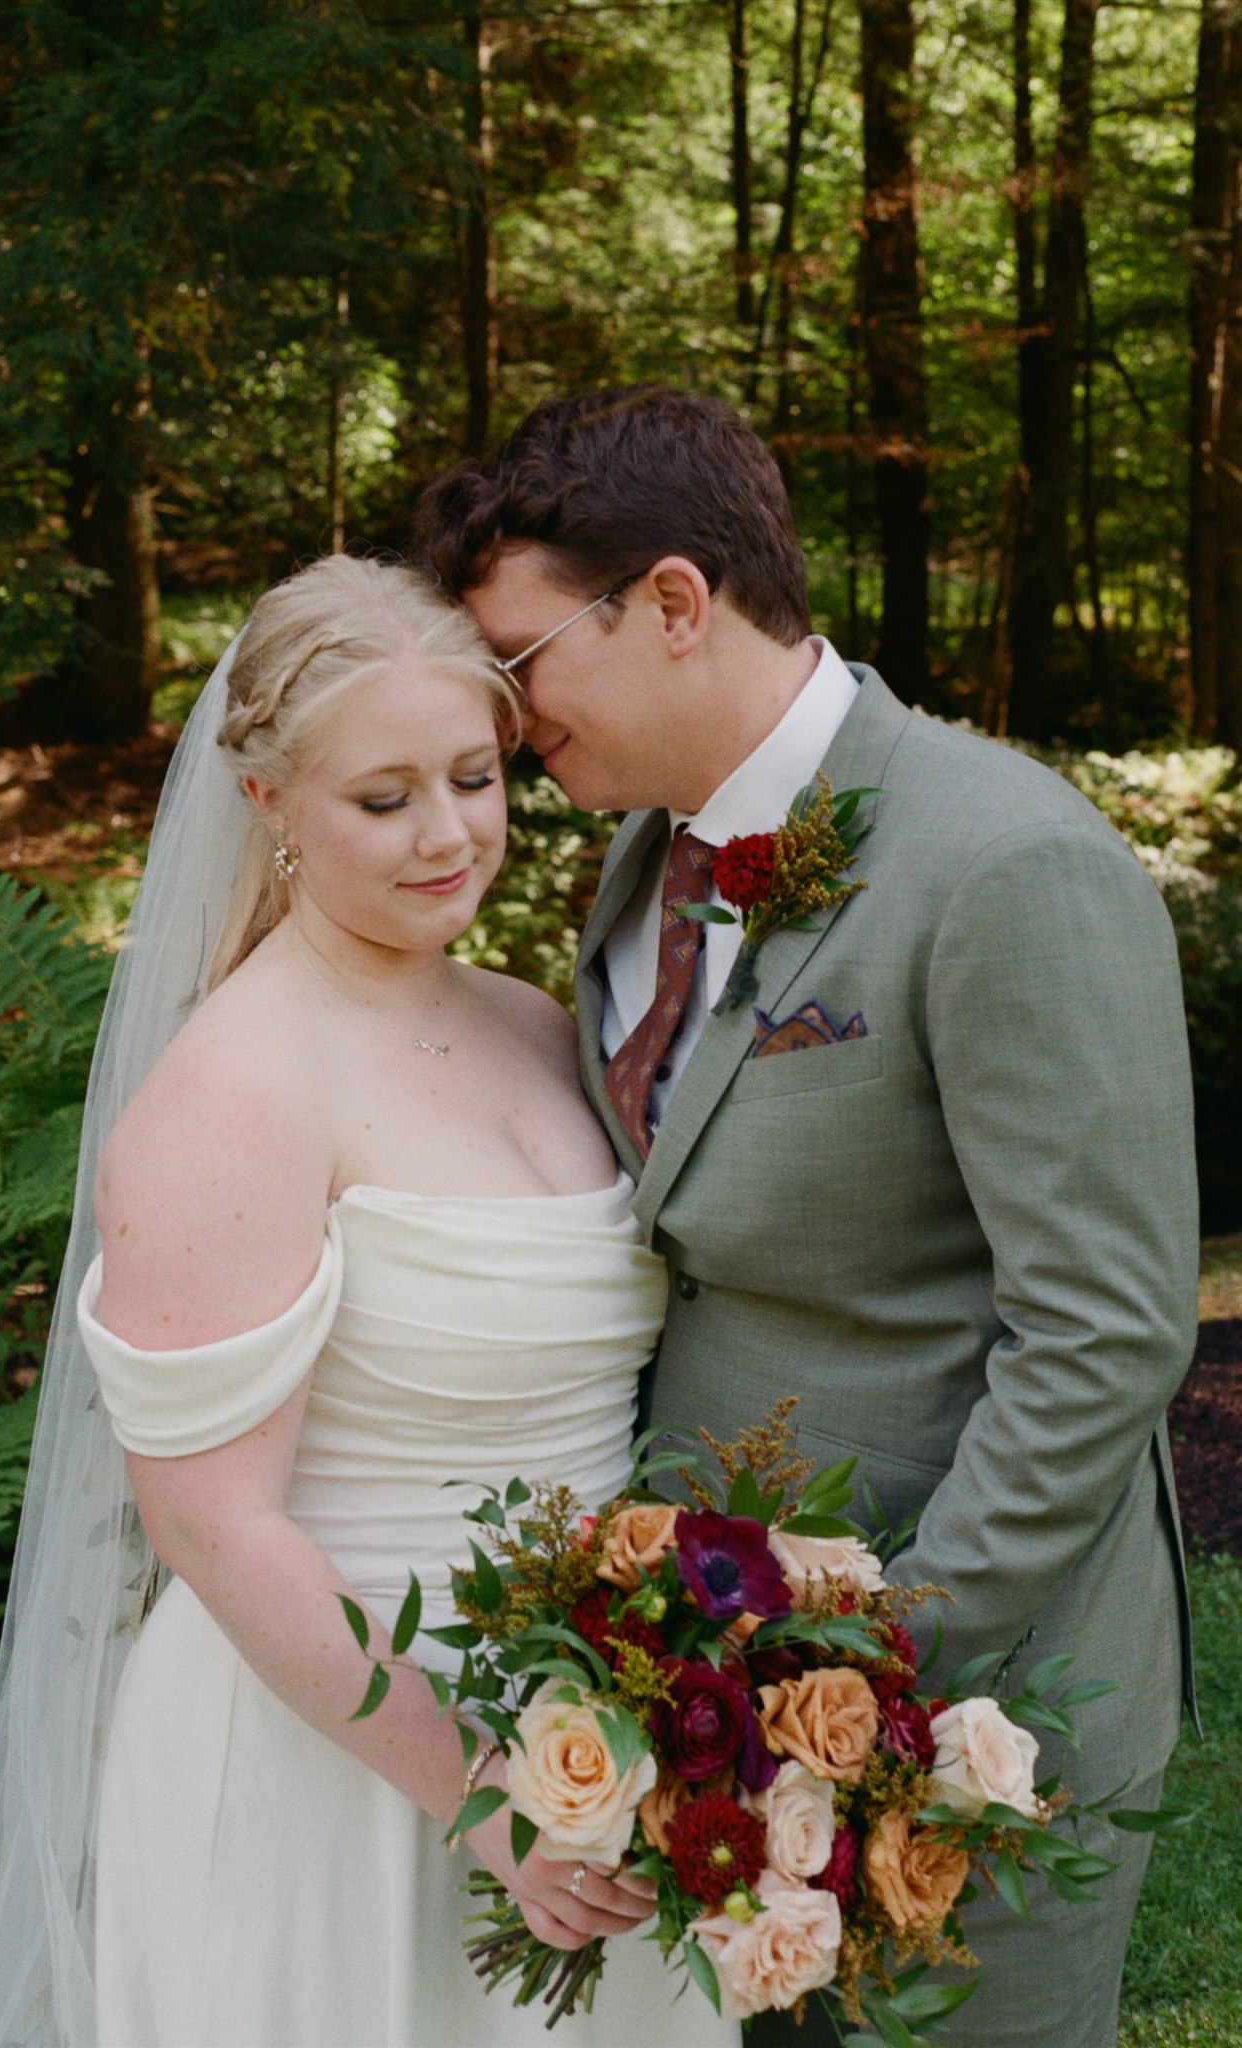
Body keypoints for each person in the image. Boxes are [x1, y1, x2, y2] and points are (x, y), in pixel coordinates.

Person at [416, 383, 1200, 2048]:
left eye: (520, 655)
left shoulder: (1008, 866)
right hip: (695, 1677)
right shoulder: (640, 857)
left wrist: (865, 1667)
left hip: (971, 1698)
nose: (501, 710)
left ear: (676, 604)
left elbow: (1101, 1336)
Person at [0, 555, 735, 2048]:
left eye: (473, 776)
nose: (448, 834)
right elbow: (216, 1522)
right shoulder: (235, 1092)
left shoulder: (535, 1024)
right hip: (335, 1760)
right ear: (270, 803)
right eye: (382, 796)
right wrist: (481, 1796)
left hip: (590, 1731)